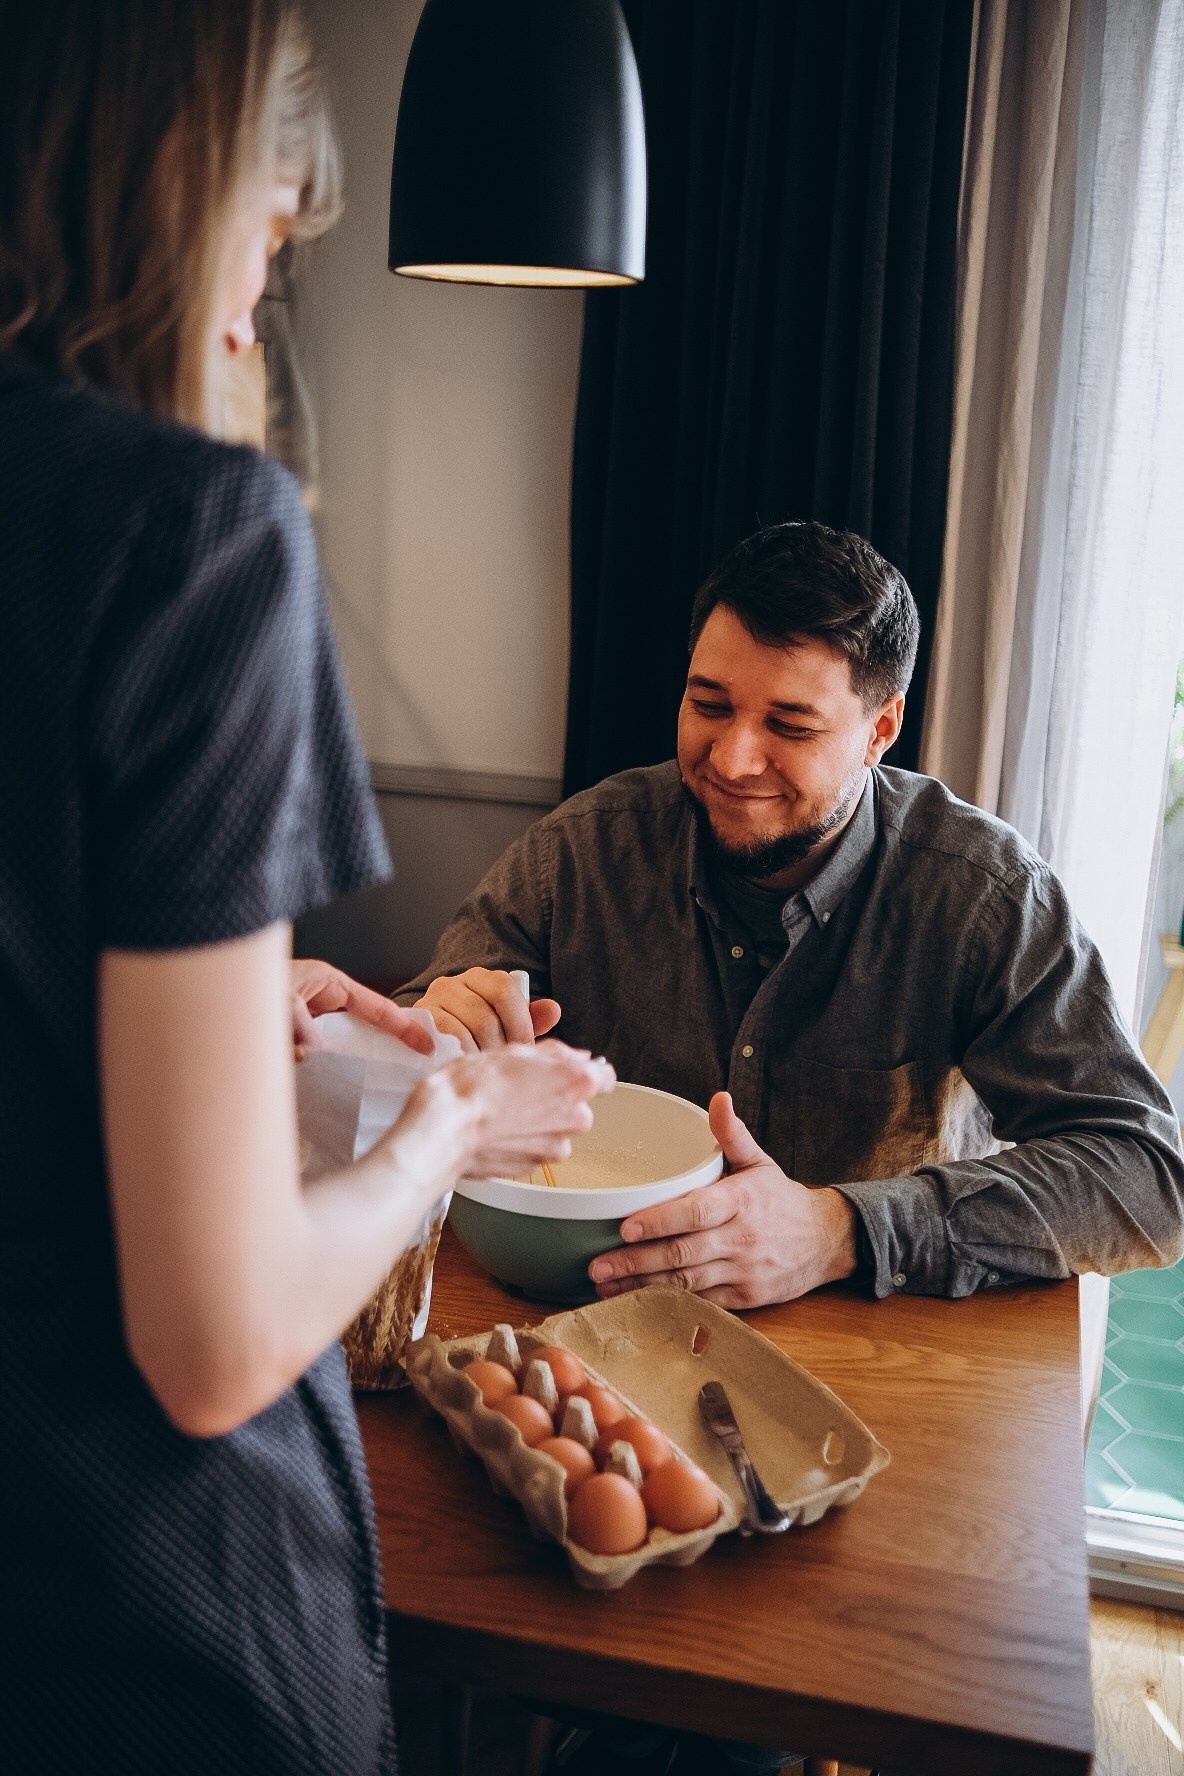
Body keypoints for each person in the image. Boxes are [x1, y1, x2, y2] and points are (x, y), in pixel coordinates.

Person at [0, 4, 612, 1771]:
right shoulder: (184, 531)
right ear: (181, 182)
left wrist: (197, 1011)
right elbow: (213, 1344)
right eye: (268, 242)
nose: (253, 308)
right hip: (121, 1622)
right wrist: (446, 1124)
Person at [398, 520, 1184, 1309]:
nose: (734, 760)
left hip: (883, 1351)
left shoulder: (984, 895)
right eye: (709, 705)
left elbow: (1144, 1177)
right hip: (592, 1315)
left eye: (790, 726)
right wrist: (424, 1042)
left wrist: (841, 1228)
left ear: (881, 729)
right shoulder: (578, 856)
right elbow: (378, 1077)